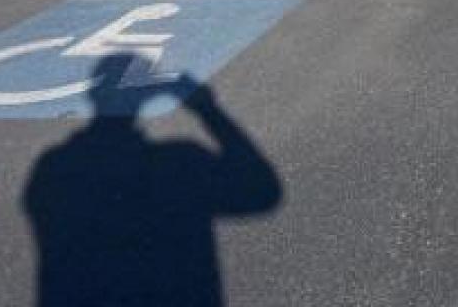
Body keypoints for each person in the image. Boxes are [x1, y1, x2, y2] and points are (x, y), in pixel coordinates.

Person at [21, 54, 282, 307]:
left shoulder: (53, 165)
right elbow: (262, 192)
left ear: (93, 93)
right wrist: (208, 110)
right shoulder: (182, 159)